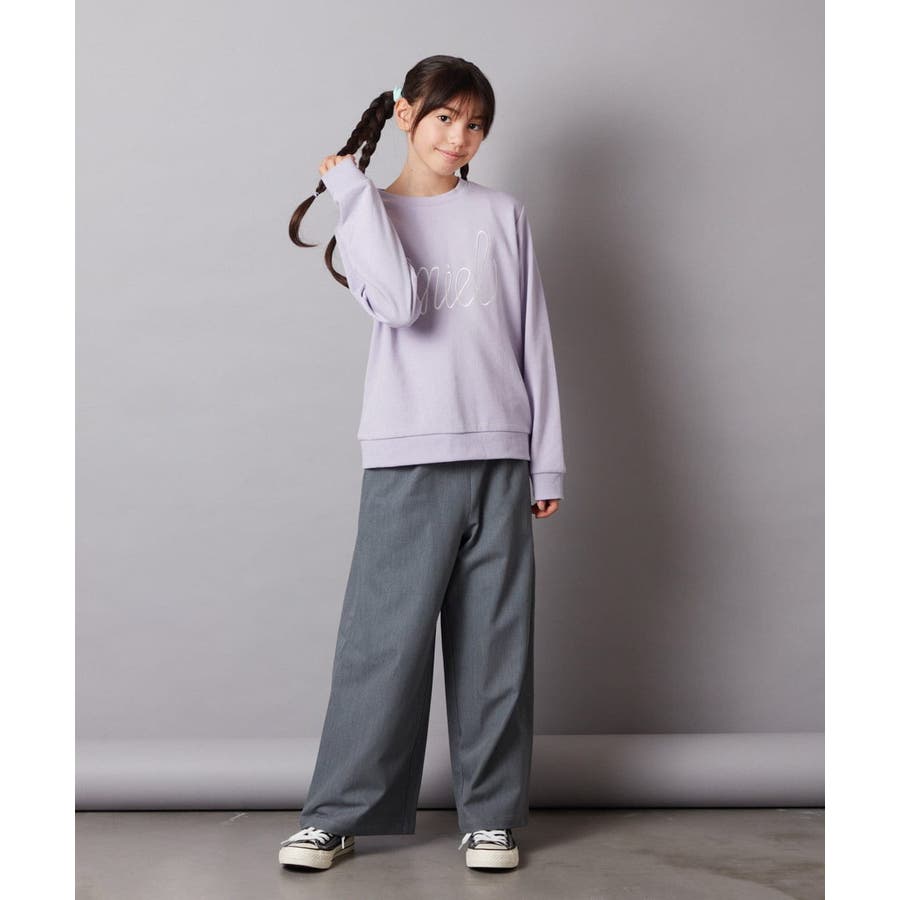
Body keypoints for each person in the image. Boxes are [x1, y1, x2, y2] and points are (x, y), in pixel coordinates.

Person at [279, 54, 565, 872]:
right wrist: (352, 192)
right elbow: (402, 306)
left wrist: (546, 463)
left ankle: (492, 818)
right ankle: (337, 814)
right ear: (406, 115)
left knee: (496, 648)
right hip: (409, 453)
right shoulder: (366, 215)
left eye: (476, 124)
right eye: (445, 117)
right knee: (382, 645)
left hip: (500, 454)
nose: (460, 136)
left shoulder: (503, 214)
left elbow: (533, 340)